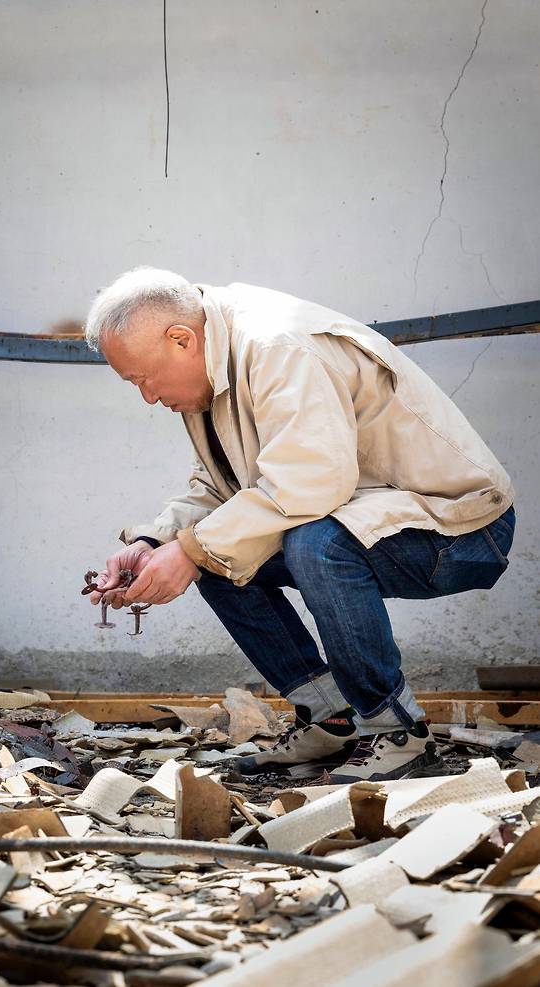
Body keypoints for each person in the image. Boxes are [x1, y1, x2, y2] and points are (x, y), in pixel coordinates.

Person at [83, 267, 515, 783]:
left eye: (142, 379)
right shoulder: (215, 358)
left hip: (461, 525)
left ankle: (397, 733)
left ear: (181, 339)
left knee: (312, 542)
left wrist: (190, 550)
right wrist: (158, 542)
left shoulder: (280, 347)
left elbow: (310, 485)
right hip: (370, 518)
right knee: (213, 552)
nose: (148, 398)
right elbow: (225, 487)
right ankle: (332, 717)